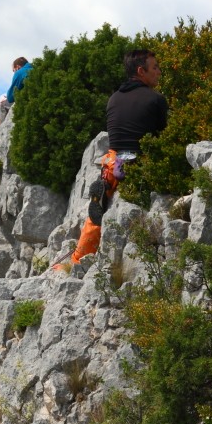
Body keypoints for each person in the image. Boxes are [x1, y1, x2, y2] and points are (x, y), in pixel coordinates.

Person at [55, 49, 167, 269]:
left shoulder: (113, 99)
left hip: (113, 162)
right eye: (155, 67)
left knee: (98, 209)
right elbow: (161, 139)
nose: (159, 72)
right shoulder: (156, 100)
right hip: (140, 162)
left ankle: (78, 258)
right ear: (141, 71)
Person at [0, 57, 33, 142]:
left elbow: (10, 97)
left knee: (3, 104)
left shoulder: (19, 72)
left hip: (23, 100)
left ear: (17, 67)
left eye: (13, 70)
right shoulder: (34, 69)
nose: (14, 72)